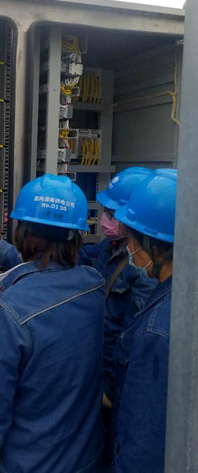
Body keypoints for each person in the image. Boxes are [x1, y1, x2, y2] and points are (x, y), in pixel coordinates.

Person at [0, 174, 106, 473]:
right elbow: (50, 265)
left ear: (21, 232)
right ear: (76, 235)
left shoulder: (13, 310)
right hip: (85, 472)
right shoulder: (94, 288)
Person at [109, 168, 177, 473]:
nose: (129, 245)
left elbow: (141, 451)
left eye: (133, 238)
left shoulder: (156, 331)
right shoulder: (179, 303)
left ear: (156, 248)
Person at [78, 168, 158, 402]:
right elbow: (75, 257)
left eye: (111, 214)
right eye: (105, 211)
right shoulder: (110, 246)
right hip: (99, 370)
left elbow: (132, 342)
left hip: (114, 383)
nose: (105, 218)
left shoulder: (143, 269)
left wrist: (112, 391)